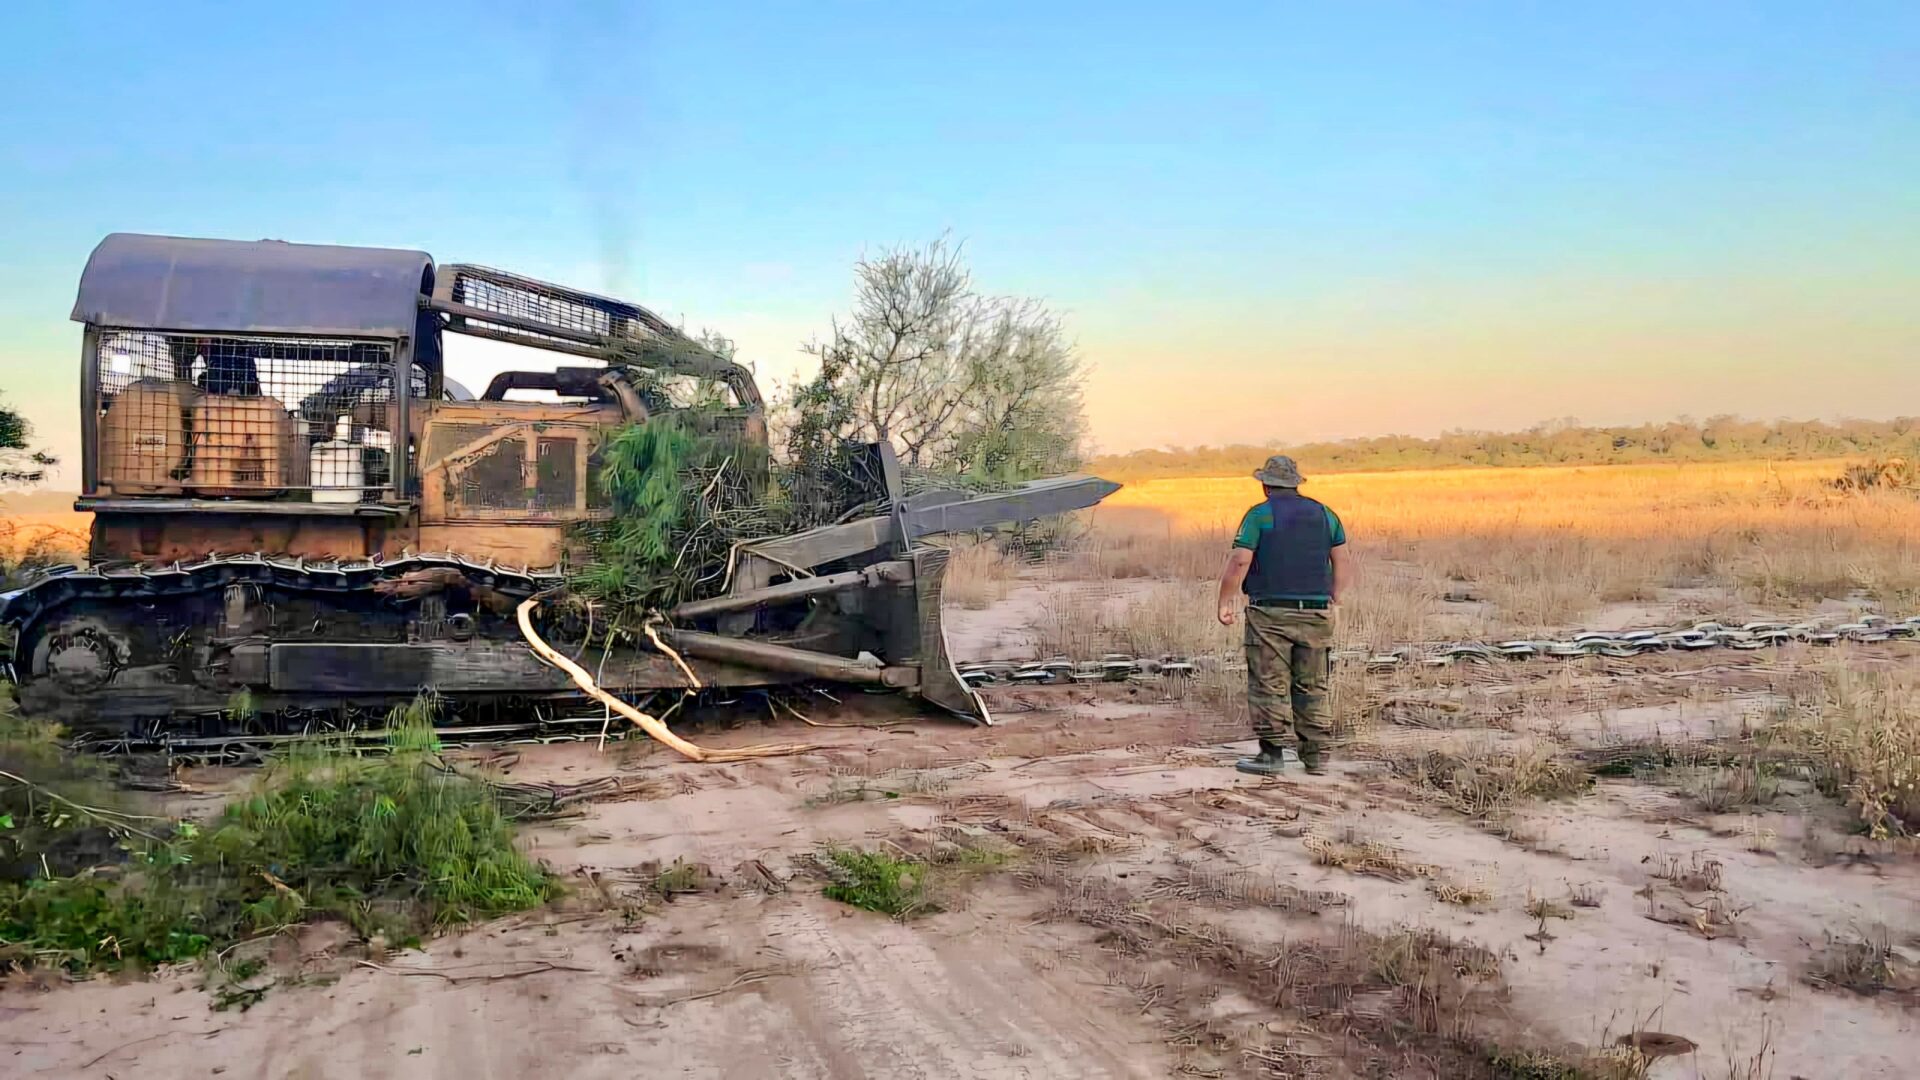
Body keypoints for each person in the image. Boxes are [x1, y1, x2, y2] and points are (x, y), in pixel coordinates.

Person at [1215, 455, 1350, 776]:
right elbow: (1342, 560)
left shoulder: (1259, 516)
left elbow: (1239, 561)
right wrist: (1336, 597)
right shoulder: (1325, 514)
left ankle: (1272, 755)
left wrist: (1225, 601)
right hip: (1316, 611)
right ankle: (1316, 758)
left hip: (1270, 613)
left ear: (1265, 485)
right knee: (1313, 685)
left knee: (1269, 683)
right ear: (1296, 483)